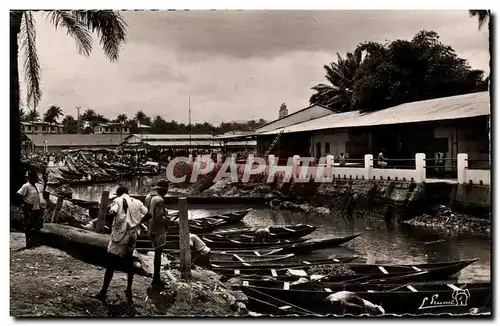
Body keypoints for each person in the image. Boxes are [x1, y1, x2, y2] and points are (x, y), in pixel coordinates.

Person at [94, 186, 148, 306]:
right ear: (128, 193)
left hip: (121, 235)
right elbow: (148, 214)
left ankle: (103, 292)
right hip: (134, 234)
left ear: (119, 193)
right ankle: (128, 289)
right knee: (129, 261)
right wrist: (139, 223)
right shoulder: (137, 201)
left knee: (111, 263)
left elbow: (112, 212)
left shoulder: (117, 200)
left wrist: (110, 224)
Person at [144, 179, 170, 285]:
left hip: (149, 227)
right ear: (164, 190)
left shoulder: (148, 197)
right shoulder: (159, 200)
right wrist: (167, 221)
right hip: (158, 229)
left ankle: (156, 277)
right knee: (158, 253)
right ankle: (156, 278)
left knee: (156, 252)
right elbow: (159, 217)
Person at [17, 169, 43, 248]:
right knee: (28, 225)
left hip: (36, 208)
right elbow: (18, 194)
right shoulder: (26, 186)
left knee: (35, 226)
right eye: (35, 178)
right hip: (29, 209)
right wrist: (24, 203)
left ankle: (33, 241)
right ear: (30, 178)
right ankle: (27, 243)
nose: (36, 180)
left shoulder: (36, 187)